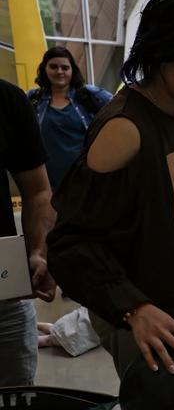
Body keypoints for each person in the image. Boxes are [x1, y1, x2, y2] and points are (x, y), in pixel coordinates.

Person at [47, 0, 174, 378]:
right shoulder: (125, 129)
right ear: (165, 49)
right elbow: (71, 243)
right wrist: (134, 308)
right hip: (147, 318)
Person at [0, 79, 57, 386]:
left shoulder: (7, 100)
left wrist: (39, 250)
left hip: (4, 293)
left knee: (16, 392)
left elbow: (37, 192)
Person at [27, 47, 113, 190]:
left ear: (72, 70)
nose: (59, 71)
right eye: (53, 67)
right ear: (44, 69)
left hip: (87, 179)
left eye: (65, 67)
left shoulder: (90, 96)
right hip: (49, 181)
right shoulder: (33, 99)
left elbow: (120, 109)